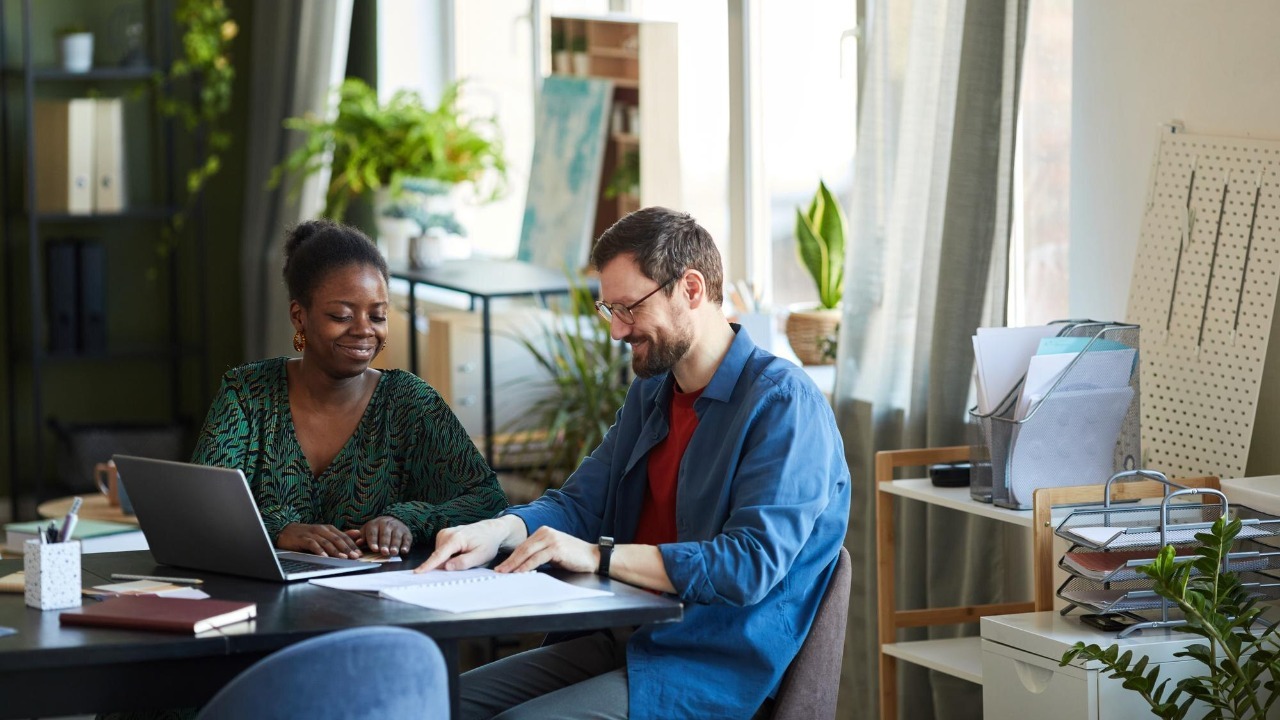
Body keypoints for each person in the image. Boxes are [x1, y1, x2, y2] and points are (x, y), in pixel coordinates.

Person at [418, 207, 851, 719]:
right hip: (626, 637)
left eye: (629, 308)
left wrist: (599, 557)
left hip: (710, 666)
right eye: (610, 310)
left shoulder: (783, 404)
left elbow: (747, 565)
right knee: (434, 705)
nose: (617, 331)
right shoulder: (653, 392)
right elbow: (580, 504)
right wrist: (499, 529)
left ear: (690, 289)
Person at [191, 219, 507, 558]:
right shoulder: (247, 394)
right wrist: (280, 530)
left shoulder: (409, 402)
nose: (364, 330)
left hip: (378, 600)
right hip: (260, 596)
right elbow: (200, 505)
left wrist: (407, 520)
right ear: (299, 316)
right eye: (342, 316)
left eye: (378, 315)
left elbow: (488, 501)